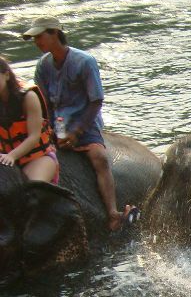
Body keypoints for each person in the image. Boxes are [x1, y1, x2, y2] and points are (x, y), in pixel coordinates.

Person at [22, 15, 133, 229]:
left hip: (84, 123)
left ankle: (112, 212)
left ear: (55, 33)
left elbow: (96, 100)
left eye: (39, 37)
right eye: (34, 39)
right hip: (55, 124)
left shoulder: (85, 62)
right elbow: (41, 101)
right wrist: (48, 129)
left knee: (99, 158)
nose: (37, 43)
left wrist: (77, 132)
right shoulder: (43, 65)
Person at [0, 55, 59, 185]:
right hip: (5, 159)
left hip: (38, 157)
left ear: (6, 75)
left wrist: (12, 156)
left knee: (31, 191)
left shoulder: (28, 97)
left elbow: (34, 137)